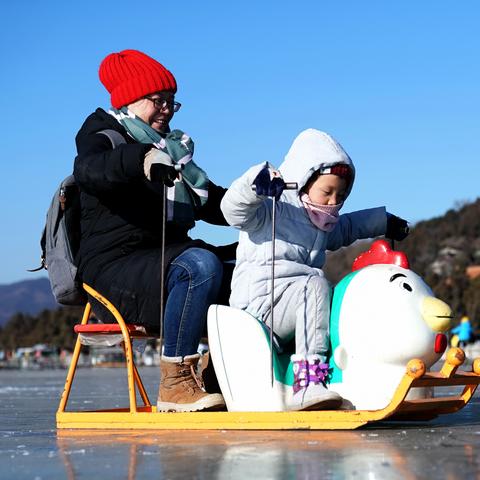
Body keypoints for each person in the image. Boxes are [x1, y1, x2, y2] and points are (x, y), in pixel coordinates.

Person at [73, 49, 235, 412]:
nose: (166, 109)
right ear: (130, 100)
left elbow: (210, 203)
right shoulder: (103, 135)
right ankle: (175, 383)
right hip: (114, 271)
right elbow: (90, 169)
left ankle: (220, 371)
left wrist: (257, 198)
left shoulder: (171, 151)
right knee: (199, 265)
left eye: (172, 102)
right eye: (157, 100)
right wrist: (141, 159)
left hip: (163, 262)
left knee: (245, 268)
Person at [220, 129, 409, 411]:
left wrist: (384, 221)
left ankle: (358, 375)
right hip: (259, 308)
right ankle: (308, 381)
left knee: (333, 297)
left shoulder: (319, 222)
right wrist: (254, 185)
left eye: (341, 194)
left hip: (295, 305)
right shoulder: (271, 210)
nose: (333, 202)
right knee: (316, 284)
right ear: (304, 182)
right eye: (327, 192)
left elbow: (349, 227)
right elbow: (232, 211)